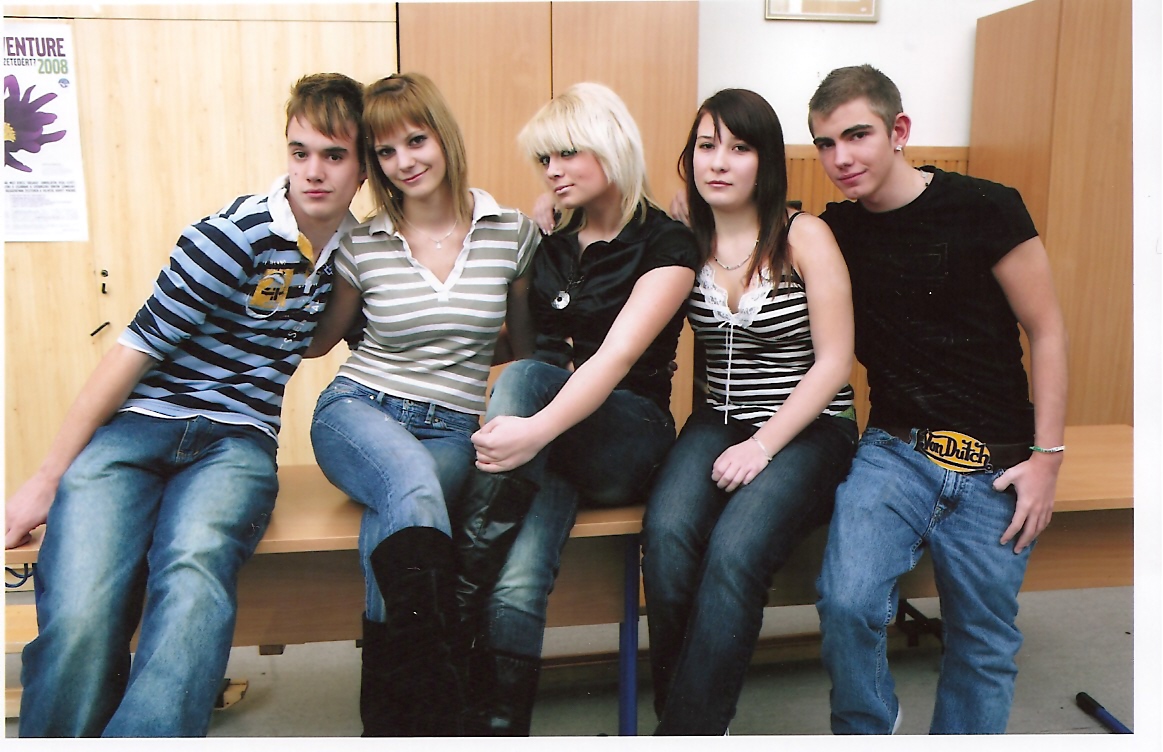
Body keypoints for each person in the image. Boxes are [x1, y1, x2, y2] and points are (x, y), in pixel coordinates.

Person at [4, 73, 366, 737]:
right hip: (139, 427)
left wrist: (352, 273)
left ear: (363, 167)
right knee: (83, 609)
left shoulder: (352, 249)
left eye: (334, 155)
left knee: (193, 573)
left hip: (236, 441)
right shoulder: (231, 236)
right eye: (300, 152)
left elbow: (313, 342)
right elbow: (130, 352)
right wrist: (47, 478)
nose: (313, 172)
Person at [808, 64, 1068, 734]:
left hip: (997, 463)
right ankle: (869, 729)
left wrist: (1047, 459)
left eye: (856, 135)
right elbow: (740, 219)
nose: (840, 158)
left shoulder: (986, 207)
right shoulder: (834, 231)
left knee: (982, 645)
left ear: (898, 130)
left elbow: (1045, 330)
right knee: (845, 602)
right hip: (895, 452)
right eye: (825, 143)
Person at [455, 82, 700, 735]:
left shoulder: (667, 243)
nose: (552, 171)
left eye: (567, 153)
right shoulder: (551, 241)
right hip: (550, 441)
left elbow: (613, 359)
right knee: (518, 576)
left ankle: (463, 575)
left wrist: (531, 430)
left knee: (526, 380)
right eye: (544, 159)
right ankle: (498, 730)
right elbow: (515, 341)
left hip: (627, 435)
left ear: (610, 146)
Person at [303, 72, 540, 737]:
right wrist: (301, 246)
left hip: (451, 428)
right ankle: (434, 697)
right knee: (409, 485)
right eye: (385, 151)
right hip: (359, 411)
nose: (404, 161)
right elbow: (319, 341)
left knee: (405, 506)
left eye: (416, 140)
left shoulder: (511, 233)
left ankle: (390, 721)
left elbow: (523, 354)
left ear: (444, 136)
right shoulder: (363, 242)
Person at [640, 88, 858, 736]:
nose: (719, 162)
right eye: (706, 146)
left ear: (766, 161)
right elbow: (612, 211)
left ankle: (688, 733)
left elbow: (835, 362)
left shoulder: (804, 234)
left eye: (739, 148)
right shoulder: (684, 237)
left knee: (734, 549)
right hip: (718, 420)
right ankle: (689, 720)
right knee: (666, 536)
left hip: (811, 426)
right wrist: (553, 207)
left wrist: (763, 445)